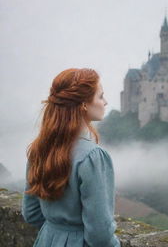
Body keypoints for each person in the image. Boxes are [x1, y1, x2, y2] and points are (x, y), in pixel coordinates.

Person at [21, 68, 121, 247]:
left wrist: (57, 232)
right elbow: (100, 235)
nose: (105, 102)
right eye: (100, 96)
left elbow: (31, 213)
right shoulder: (92, 157)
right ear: (83, 104)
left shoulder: (39, 149)